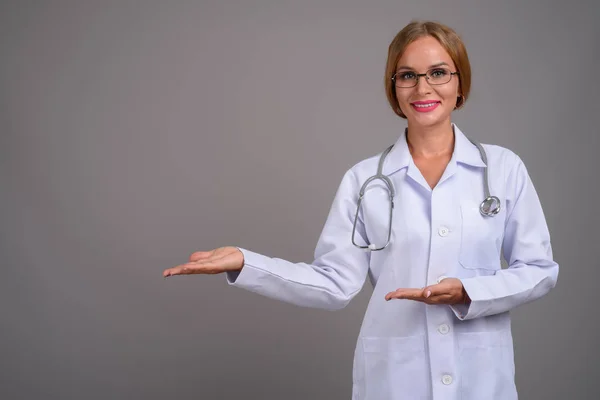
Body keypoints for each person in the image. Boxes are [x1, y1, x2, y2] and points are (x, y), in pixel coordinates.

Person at [163, 20, 558, 400]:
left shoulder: (503, 169)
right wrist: (245, 263)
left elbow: (539, 270)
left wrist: (469, 291)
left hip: (482, 379)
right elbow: (334, 284)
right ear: (394, 88)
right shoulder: (365, 179)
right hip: (395, 380)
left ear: (460, 83)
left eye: (438, 72)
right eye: (407, 75)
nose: (423, 87)